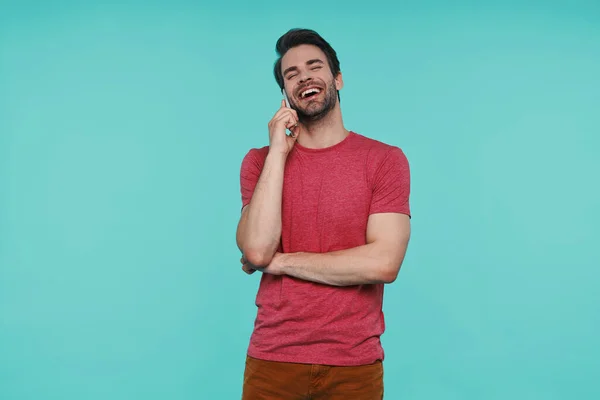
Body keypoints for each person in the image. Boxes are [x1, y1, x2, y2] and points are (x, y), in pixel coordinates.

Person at [236, 28, 412, 399]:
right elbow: (255, 250)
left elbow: (383, 263)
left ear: (337, 79)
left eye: (314, 66)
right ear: (284, 94)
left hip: (355, 362)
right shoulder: (259, 162)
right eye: (291, 73)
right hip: (274, 358)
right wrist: (278, 153)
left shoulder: (384, 160)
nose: (304, 77)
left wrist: (279, 262)